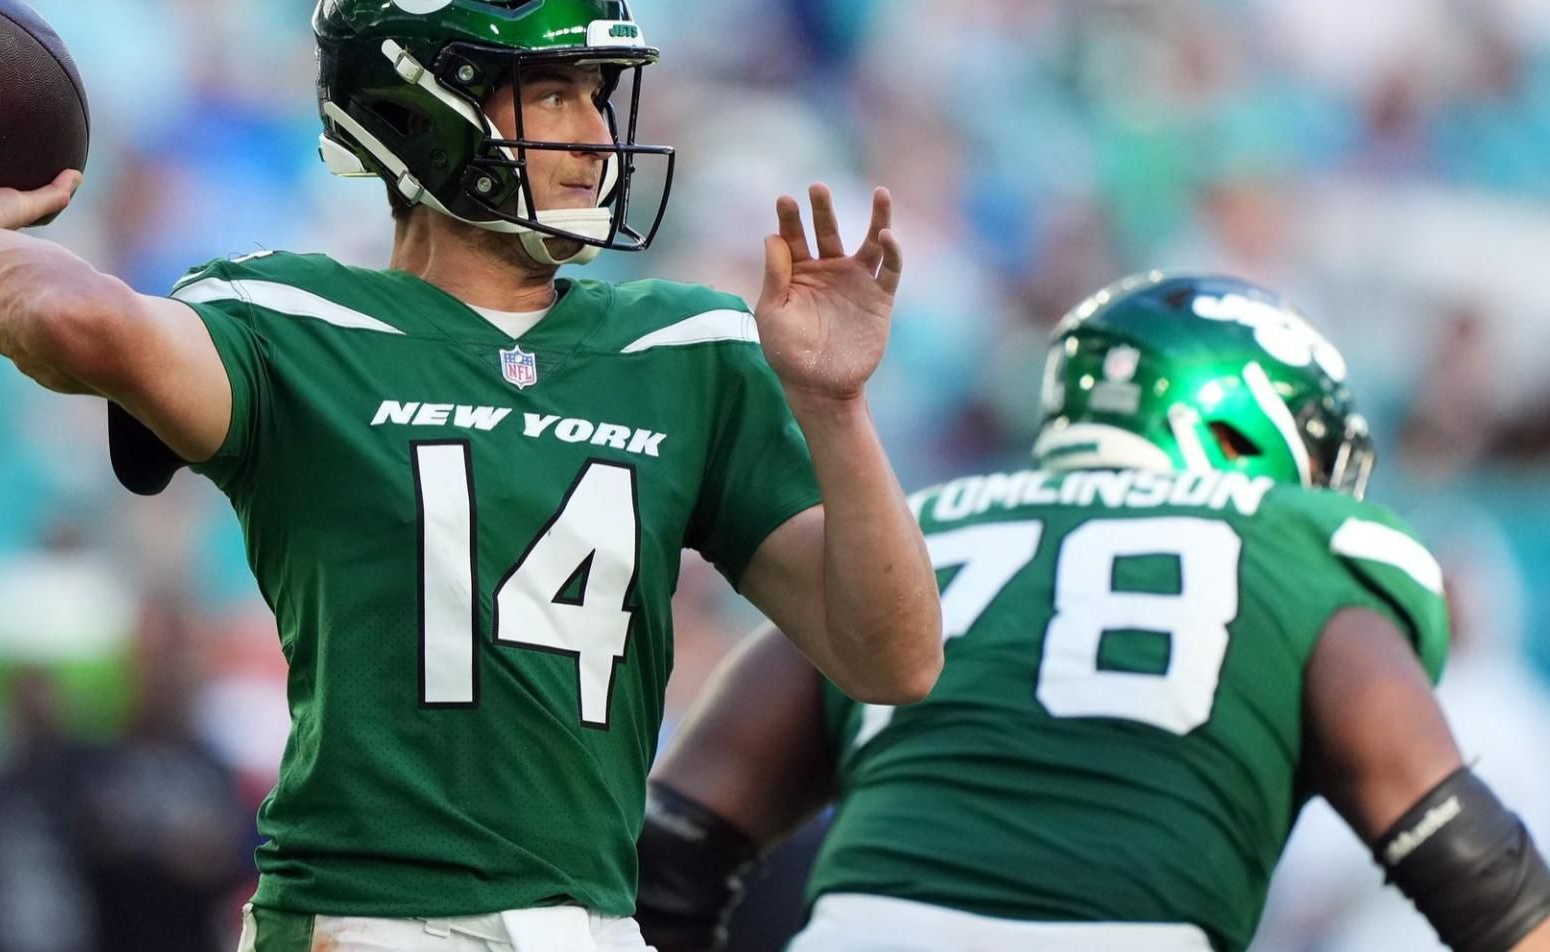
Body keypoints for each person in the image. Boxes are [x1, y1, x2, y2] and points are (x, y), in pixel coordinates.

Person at [0, 0, 943, 952]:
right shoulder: (300, 327)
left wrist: (838, 410)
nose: (596, 135)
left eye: (598, 94)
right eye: (552, 93)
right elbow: (71, 320)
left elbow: (891, 658)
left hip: (591, 922)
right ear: (421, 107)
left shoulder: (688, 349)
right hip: (371, 918)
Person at [636, 273, 1550, 952]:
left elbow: (674, 848)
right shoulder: (1296, 550)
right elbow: (1476, 873)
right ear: (1247, 423)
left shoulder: (913, 533)